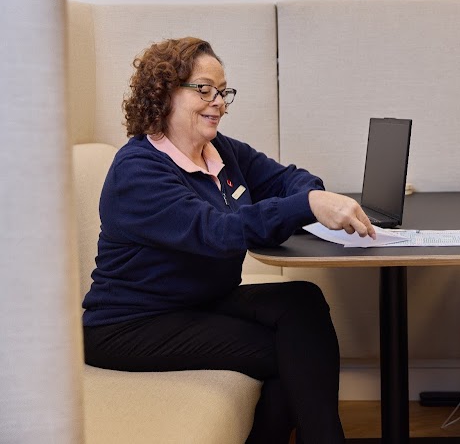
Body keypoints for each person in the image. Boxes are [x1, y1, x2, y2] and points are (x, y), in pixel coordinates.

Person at [82, 36, 376, 443]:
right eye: (203, 89)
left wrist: (312, 195)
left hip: (198, 301)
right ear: (165, 92)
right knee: (293, 357)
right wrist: (307, 204)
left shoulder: (218, 150)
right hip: (131, 324)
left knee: (302, 302)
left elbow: (286, 179)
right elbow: (217, 232)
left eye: (223, 91)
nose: (217, 101)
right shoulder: (137, 171)